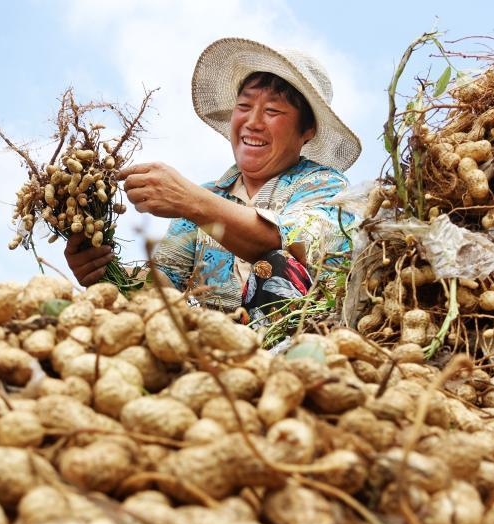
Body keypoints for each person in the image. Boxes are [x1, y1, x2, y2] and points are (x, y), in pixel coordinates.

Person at [64, 38, 361, 326]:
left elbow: (283, 243)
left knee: (276, 263)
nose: (253, 122)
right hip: (220, 350)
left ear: (306, 130)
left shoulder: (326, 188)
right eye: (244, 107)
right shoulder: (209, 197)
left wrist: (189, 200)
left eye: (272, 111)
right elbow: (162, 291)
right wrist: (102, 273)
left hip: (303, 345)